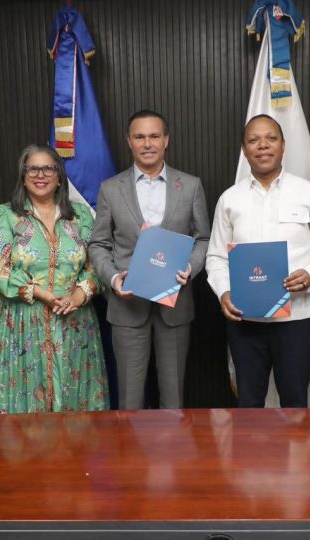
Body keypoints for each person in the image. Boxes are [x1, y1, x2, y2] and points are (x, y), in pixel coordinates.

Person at [206, 114, 310, 408]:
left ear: (283, 145)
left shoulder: (309, 194)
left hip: (297, 318)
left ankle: (295, 457)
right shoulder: (229, 200)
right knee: (250, 405)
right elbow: (216, 256)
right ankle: (252, 456)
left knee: (295, 403)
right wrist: (223, 292)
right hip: (245, 320)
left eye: (270, 138)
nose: (263, 146)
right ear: (244, 150)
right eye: (254, 140)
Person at [88, 110, 210, 410]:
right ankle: (129, 457)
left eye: (154, 136)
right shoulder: (110, 188)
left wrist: (190, 268)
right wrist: (115, 279)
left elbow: (204, 240)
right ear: (129, 141)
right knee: (129, 399)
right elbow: (98, 244)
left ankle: (173, 456)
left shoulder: (191, 185)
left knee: (173, 399)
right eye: (139, 136)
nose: (147, 143)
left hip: (176, 305)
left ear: (166, 140)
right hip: (127, 306)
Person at [0, 145, 108, 414]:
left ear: (59, 176)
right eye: (33, 168)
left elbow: (98, 263)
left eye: (48, 168)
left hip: (74, 323)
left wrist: (81, 293)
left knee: (76, 416)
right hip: (20, 325)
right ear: (23, 176)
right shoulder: (5, 215)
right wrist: (39, 292)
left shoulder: (81, 217)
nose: (41, 174)